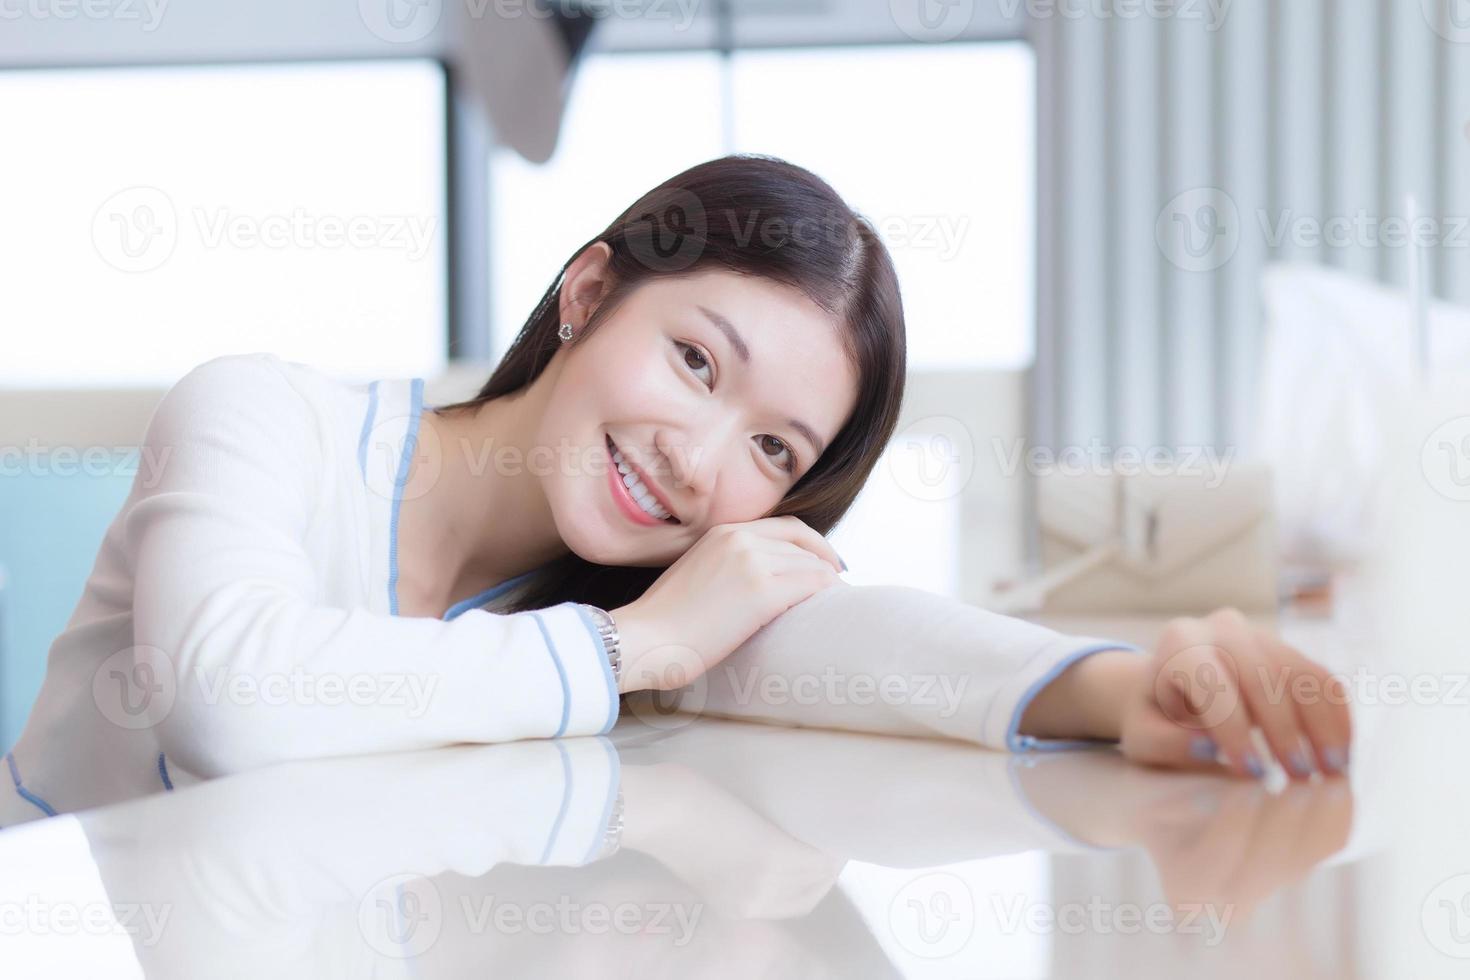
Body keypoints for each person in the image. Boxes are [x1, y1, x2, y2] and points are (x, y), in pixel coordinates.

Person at [0, 154, 1350, 829]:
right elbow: (234, 697)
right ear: (588, 293)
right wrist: (636, 646)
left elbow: (842, 640)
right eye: (695, 360)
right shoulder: (263, 413)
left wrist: (1117, 692)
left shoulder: (639, 596)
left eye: (774, 453)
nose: (700, 463)